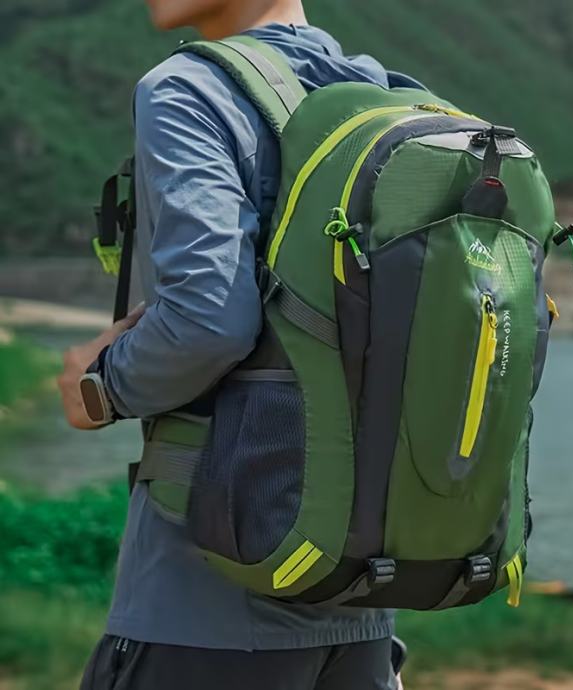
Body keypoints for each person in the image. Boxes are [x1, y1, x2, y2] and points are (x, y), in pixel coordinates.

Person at [59, 1, 423, 687]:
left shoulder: (189, 88)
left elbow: (208, 322)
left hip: (211, 591)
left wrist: (101, 385)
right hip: (361, 602)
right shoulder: (387, 98)